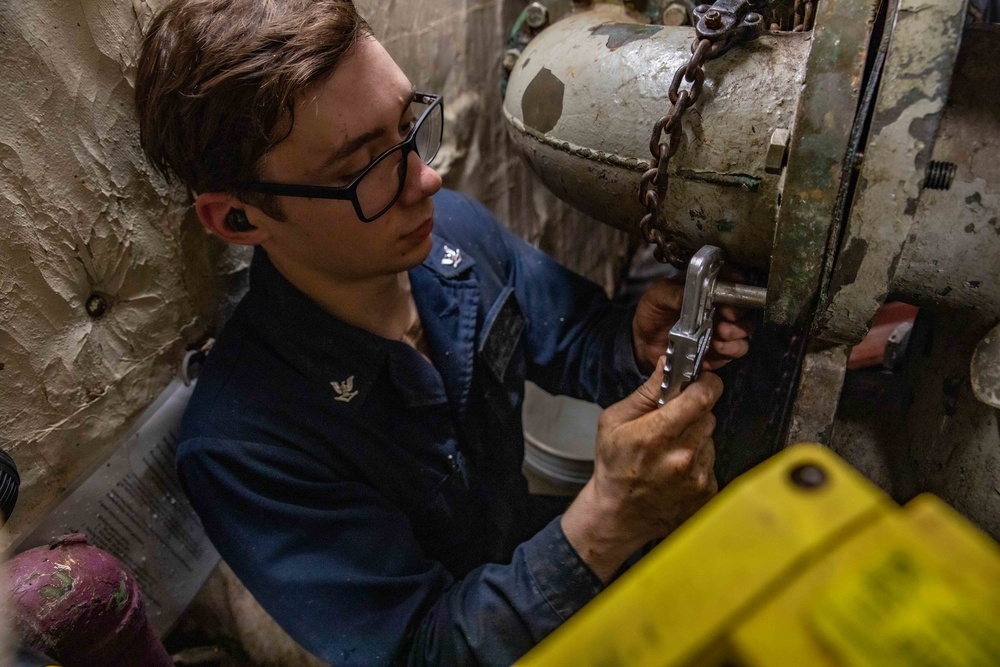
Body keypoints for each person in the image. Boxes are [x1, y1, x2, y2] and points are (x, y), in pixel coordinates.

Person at [134, 1, 751, 664]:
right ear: (236, 219)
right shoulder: (243, 448)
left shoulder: (451, 232)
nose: (425, 179)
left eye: (408, 125)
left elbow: (570, 339)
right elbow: (418, 650)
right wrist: (601, 524)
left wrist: (634, 339)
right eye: (360, 170)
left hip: (521, 548)